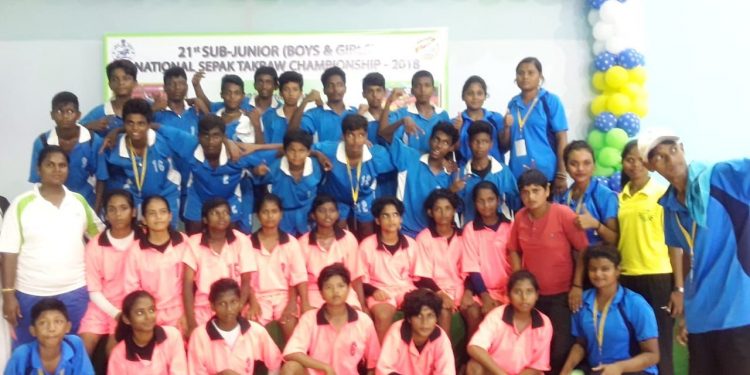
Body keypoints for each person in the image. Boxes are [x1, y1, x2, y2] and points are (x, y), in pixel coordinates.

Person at [639, 128, 750, 374]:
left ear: (683, 150)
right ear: (649, 166)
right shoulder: (669, 206)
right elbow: (689, 256)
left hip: (738, 311)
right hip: (701, 318)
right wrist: (686, 309)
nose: (670, 159)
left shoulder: (723, 177)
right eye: (659, 156)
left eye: (673, 149)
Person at [1, 145, 103, 345]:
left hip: (75, 293)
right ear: (39, 169)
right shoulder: (21, 204)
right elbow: (8, 254)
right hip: (30, 294)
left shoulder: (78, 202)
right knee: (29, 355)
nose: (57, 170)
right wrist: (8, 296)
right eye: (50, 165)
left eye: (62, 165)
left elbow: (100, 237)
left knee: (72, 351)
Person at [508, 168, 589, 375]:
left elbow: (582, 251)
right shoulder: (520, 217)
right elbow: (513, 249)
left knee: (559, 349)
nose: (530, 197)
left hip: (562, 294)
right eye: (525, 192)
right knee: (535, 348)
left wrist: (577, 286)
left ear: (547, 190)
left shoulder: (562, 214)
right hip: (533, 297)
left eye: (536, 190)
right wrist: (519, 279)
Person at [618, 140, 682, 375]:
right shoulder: (621, 198)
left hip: (657, 279)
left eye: (639, 159)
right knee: (635, 346)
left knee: (660, 345)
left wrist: (678, 288)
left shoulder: (662, 194)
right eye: (629, 159)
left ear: (649, 162)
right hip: (626, 279)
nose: (634, 164)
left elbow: (675, 244)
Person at [561, 246, 660, 375]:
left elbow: (652, 355)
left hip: (633, 371)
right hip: (598, 371)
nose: (598, 274)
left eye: (605, 269)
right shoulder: (582, 301)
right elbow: (581, 344)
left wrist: (619, 367)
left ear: (617, 271)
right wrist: (565, 370)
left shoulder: (635, 304)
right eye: (593, 269)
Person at [97, 98, 192, 228]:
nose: (135, 128)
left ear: (149, 125)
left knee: (166, 232)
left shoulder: (163, 141)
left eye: (141, 123)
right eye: (130, 123)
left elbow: (193, 143)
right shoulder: (113, 147)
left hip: (166, 191)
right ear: (124, 124)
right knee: (134, 238)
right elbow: (103, 178)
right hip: (133, 195)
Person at [379, 88, 459, 238]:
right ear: (430, 140)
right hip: (405, 234)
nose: (438, 145)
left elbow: (448, 206)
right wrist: (401, 120)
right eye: (436, 139)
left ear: (450, 147)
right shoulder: (409, 157)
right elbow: (383, 133)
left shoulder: (451, 172)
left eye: (445, 143)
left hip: (433, 238)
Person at [181, 114, 275, 234]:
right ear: (198, 137)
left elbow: (285, 148)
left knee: (232, 234)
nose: (210, 142)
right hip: (199, 197)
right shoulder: (189, 146)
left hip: (229, 197)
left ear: (223, 137)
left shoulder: (237, 156)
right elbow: (157, 127)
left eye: (216, 136)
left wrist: (255, 147)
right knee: (194, 233)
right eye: (205, 136)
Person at [281, 263, 380, 375]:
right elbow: (291, 352)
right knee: (290, 368)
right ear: (321, 293)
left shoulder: (364, 321)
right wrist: (324, 367)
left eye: (340, 286)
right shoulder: (309, 318)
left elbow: (373, 364)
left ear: (348, 289)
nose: (335, 291)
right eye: (328, 287)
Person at [183, 198, 258, 337]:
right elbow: (187, 284)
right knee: (200, 341)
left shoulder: (241, 240)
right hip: (204, 307)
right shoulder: (194, 242)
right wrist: (191, 321)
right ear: (205, 219)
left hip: (233, 305)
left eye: (225, 212)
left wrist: (237, 308)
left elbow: (246, 280)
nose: (221, 216)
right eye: (215, 213)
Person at [312, 114, 395, 239]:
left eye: (361, 135)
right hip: (336, 198)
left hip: (363, 196)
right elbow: (301, 148)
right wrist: (318, 154)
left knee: (367, 228)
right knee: (339, 229)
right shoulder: (329, 150)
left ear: (366, 136)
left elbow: (391, 170)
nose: (356, 141)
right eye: (351, 135)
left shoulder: (377, 154)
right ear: (343, 136)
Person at [79, 189, 138, 356]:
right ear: (105, 214)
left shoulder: (143, 240)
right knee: (82, 350)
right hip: (101, 307)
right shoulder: (96, 245)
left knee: (113, 352)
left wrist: (124, 313)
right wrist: (115, 313)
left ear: (133, 212)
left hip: (131, 306)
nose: (118, 214)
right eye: (112, 209)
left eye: (123, 208)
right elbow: (94, 290)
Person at [501, 57, 569, 195]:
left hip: (546, 174)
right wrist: (506, 128)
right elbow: (506, 145)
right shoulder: (513, 104)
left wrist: (561, 174)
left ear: (540, 77)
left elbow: (562, 138)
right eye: (521, 73)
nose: (525, 76)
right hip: (518, 176)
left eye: (531, 72)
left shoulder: (550, 101)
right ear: (516, 78)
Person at [123, 195, 190, 333]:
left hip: (181, 311)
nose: (158, 217)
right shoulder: (135, 250)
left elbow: (193, 282)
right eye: (152, 213)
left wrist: (188, 314)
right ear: (144, 220)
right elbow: (132, 290)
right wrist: (147, 317)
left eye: (163, 212)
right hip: (151, 314)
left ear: (170, 216)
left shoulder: (184, 242)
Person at [187, 278, 282, 375]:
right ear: (212, 306)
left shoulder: (255, 331)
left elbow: (275, 361)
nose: (229, 309)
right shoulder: (199, 336)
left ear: (240, 302)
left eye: (233, 302)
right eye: (222, 304)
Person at [466, 271, 553, 375]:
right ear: (508, 295)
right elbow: (474, 347)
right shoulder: (497, 315)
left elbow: (538, 366)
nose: (524, 297)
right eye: (517, 292)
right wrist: (501, 373)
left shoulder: (544, 323)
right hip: (495, 372)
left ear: (537, 295)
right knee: (474, 366)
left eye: (529, 291)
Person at [248, 194, 309, 340]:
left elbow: (297, 277)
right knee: (254, 327)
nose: (270, 216)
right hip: (258, 296)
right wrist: (253, 302)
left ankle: (291, 361)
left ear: (281, 214)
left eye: (274, 211)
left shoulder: (291, 242)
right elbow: (244, 279)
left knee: (290, 325)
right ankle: (260, 363)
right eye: (265, 212)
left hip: (284, 295)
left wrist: (293, 303)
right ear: (258, 215)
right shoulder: (247, 243)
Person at [29, 91, 103, 209]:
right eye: (59, 112)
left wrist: (97, 211)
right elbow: (38, 181)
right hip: (52, 205)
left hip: (85, 202)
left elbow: (101, 178)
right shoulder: (42, 142)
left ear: (78, 115)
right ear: (52, 115)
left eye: (70, 112)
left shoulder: (93, 141)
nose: (65, 116)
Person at [359, 197, 418, 343]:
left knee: (423, 308)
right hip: (380, 290)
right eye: (385, 215)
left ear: (401, 219)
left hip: (406, 289)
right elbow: (359, 279)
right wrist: (373, 291)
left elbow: (418, 276)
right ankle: (380, 362)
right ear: (378, 221)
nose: (391, 220)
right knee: (383, 315)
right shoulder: (367, 245)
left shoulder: (411, 244)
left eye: (395, 215)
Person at [460, 182, 513, 337]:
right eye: (481, 201)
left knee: (502, 318)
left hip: (507, 290)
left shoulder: (511, 227)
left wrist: (509, 293)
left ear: (499, 200)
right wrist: (485, 296)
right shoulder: (470, 229)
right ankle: (473, 358)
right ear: (475, 204)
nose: (486, 205)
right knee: (473, 314)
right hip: (481, 290)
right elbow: (472, 267)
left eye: (490, 199)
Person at [298, 194, 367, 310]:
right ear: (313, 215)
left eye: (332, 210)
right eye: (321, 211)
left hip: (343, 290)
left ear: (337, 214)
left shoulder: (348, 238)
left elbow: (355, 276)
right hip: (314, 292)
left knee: (355, 315)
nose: (327, 215)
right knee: (314, 318)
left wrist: (363, 305)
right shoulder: (303, 242)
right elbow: (299, 278)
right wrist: (304, 303)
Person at [252, 130, 324, 236]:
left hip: (307, 216)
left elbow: (321, 188)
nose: (296, 155)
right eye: (292, 150)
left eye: (301, 150)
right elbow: (257, 181)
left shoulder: (316, 167)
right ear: (285, 151)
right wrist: (257, 172)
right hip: (283, 217)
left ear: (308, 152)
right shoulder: (274, 167)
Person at [414, 188, 464, 334]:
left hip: (459, 289)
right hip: (434, 289)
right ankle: (445, 356)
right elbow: (423, 276)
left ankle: (471, 355)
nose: (443, 214)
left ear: (454, 210)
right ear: (430, 212)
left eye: (448, 208)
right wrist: (441, 294)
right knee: (443, 311)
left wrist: (467, 292)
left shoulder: (463, 236)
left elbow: (469, 270)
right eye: (438, 209)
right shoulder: (424, 237)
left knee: (474, 311)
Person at [4, 298, 94, 374]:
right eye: (43, 323)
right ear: (33, 330)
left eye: (58, 321)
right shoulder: (22, 355)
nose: (51, 329)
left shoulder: (74, 345)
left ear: (68, 327)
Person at [376, 288, 456, 375]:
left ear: (436, 318)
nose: (425, 322)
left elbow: (447, 371)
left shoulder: (441, 338)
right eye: (418, 316)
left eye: (430, 316)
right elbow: (384, 370)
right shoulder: (396, 332)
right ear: (409, 318)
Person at [555, 140, 619, 246]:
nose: (580, 168)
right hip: (570, 259)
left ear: (594, 166)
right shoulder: (562, 197)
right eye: (573, 164)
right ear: (566, 167)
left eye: (586, 163)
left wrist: (596, 225)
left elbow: (616, 240)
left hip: (595, 259)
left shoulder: (605, 196)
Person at [107, 291, 188, 374]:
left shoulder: (172, 336)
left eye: (151, 310)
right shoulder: (118, 355)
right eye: (140, 313)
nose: (148, 316)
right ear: (126, 319)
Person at [457, 120, 520, 223]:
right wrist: (454, 192)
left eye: (485, 142)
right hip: (472, 231)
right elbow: (458, 208)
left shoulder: (503, 171)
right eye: (476, 141)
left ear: (491, 144)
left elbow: (515, 203)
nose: (480, 146)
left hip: (499, 231)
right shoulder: (461, 174)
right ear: (469, 143)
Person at [384, 70, 450, 153]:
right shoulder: (402, 113)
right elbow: (383, 133)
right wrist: (401, 121)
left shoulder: (442, 115)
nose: (422, 90)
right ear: (412, 91)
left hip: (434, 164)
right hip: (410, 164)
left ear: (433, 90)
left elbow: (448, 143)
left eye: (427, 85)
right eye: (418, 86)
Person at [289, 66, 358, 143]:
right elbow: (292, 133)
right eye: (330, 85)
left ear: (345, 88)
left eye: (339, 85)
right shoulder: (314, 114)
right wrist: (304, 102)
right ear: (324, 90)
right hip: (320, 155)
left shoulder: (355, 112)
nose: (335, 89)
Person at [360, 72, 398, 198]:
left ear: (384, 93)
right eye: (370, 91)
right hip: (368, 179)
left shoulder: (393, 118)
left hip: (393, 178)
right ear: (364, 94)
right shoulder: (359, 120)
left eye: (378, 90)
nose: (374, 95)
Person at [454, 75, 507, 163]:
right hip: (467, 172)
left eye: (479, 93)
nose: (475, 97)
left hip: (495, 173)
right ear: (463, 96)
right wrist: (457, 130)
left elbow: (505, 146)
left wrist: (507, 128)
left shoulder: (495, 119)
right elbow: (452, 149)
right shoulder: (456, 122)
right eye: (470, 93)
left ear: (485, 96)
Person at [81, 59, 139, 136]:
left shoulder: (145, 108)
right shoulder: (100, 112)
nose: (121, 83)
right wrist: (88, 126)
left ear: (135, 83)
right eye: (115, 79)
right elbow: (72, 131)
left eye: (126, 78)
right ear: (110, 85)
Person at [263, 71, 304, 144]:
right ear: (280, 93)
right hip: (273, 155)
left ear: (301, 93)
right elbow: (264, 144)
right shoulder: (269, 115)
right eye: (286, 89)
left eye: (295, 89)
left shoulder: (307, 116)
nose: (291, 94)